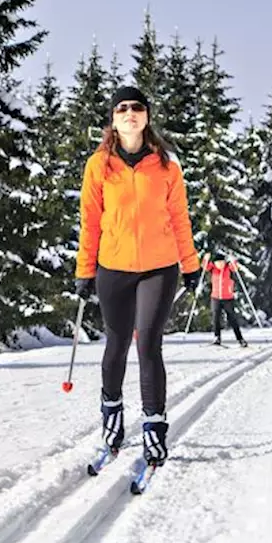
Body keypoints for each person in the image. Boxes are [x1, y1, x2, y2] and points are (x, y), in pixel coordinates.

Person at [74, 85, 201, 467]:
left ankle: (154, 429)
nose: (130, 113)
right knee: (116, 345)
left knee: (148, 345)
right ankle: (111, 419)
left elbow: (180, 218)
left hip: (159, 269)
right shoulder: (99, 165)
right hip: (113, 268)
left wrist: (190, 264)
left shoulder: (166, 166)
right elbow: (90, 222)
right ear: (113, 119)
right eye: (122, 108)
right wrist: (85, 270)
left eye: (137, 107)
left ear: (147, 116)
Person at [203, 253, 249, 347]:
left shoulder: (228, 269)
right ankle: (217, 337)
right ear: (214, 263)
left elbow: (235, 267)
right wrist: (205, 259)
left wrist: (233, 260)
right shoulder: (213, 269)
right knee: (215, 318)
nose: (220, 264)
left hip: (228, 298)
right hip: (215, 298)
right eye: (217, 262)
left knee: (232, 319)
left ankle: (240, 339)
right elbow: (205, 267)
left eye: (221, 262)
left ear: (224, 262)